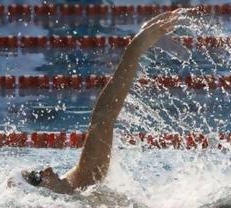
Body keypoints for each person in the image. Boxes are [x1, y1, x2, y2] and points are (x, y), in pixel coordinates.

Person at [22, 9, 185, 194]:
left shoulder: (75, 186)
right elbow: (103, 117)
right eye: (38, 176)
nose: (47, 169)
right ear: (43, 191)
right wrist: (134, 49)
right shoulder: (79, 184)